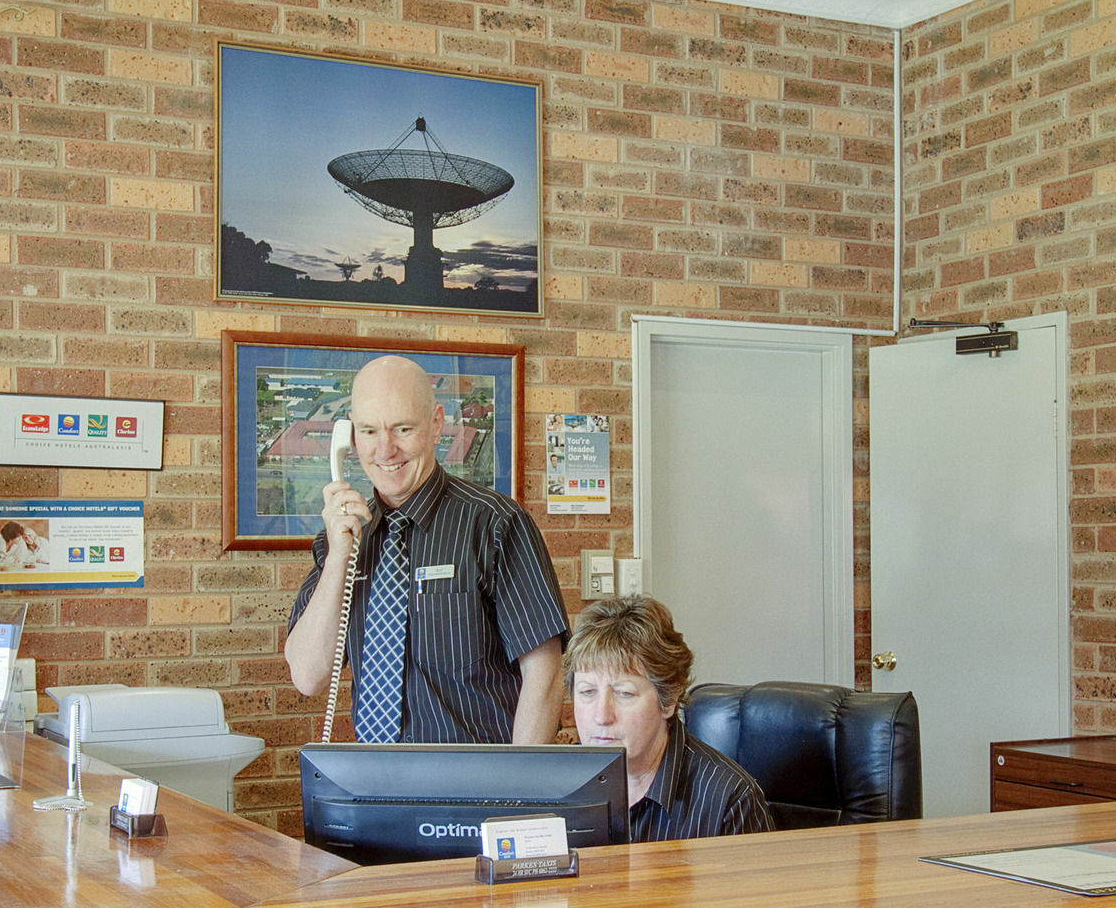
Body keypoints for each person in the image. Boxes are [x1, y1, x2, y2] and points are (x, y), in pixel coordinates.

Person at [285, 355, 568, 744]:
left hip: (478, 786)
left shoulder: (495, 524)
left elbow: (546, 674)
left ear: (436, 424)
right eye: (368, 431)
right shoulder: (343, 539)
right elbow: (307, 676)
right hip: (377, 786)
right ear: (350, 436)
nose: (385, 450)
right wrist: (338, 558)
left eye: (402, 428)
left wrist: (516, 792)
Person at [566, 596, 774, 843]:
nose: (601, 717)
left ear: (669, 701)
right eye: (587, 692)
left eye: (624, 694)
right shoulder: (551, 784)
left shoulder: (729, 800)